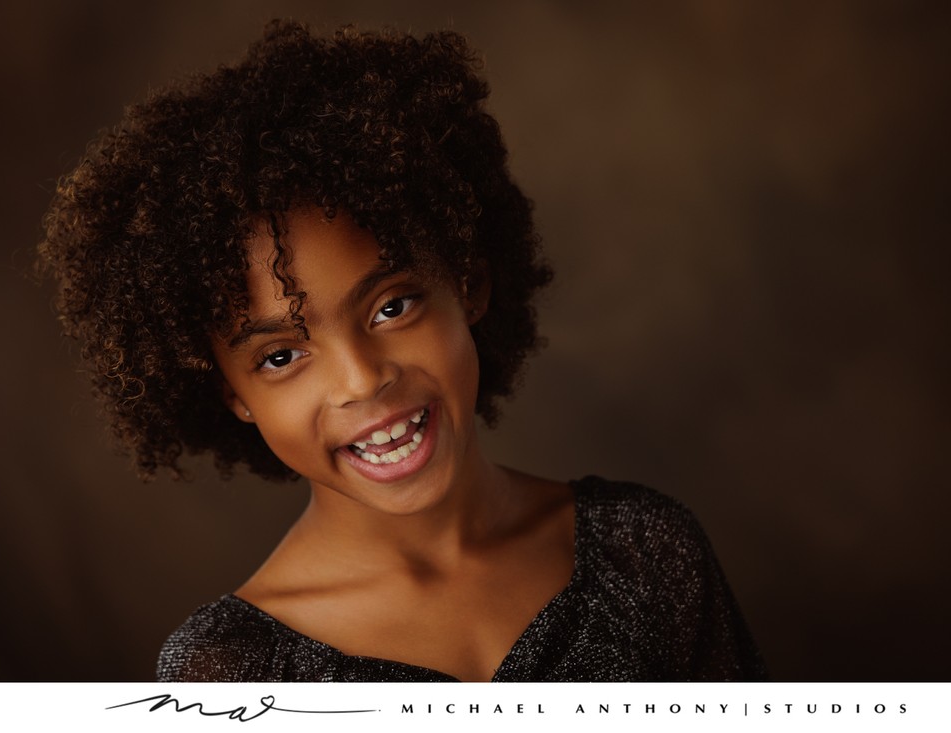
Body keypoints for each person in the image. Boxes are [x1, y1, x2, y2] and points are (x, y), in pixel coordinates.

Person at [38, 21, 766, 682]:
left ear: (469, 283)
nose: (361, 379)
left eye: (391, 306)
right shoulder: (230, 675)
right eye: (281, 356)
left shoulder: (644, 554)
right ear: (233, 394)